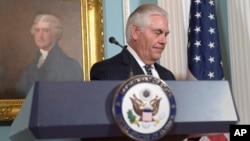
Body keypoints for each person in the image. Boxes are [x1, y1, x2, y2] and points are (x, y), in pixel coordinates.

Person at [90, 3, 175, 80]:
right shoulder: (106, 71)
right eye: (157, 33)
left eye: (165, 35)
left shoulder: (167, 76)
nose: (164, 41)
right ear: (135, 32)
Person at [16, 14, 83, 98]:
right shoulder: (29, 68)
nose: (40, 36)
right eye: (37, 30)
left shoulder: (71, 66)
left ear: (56, 34)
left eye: (46, 31)